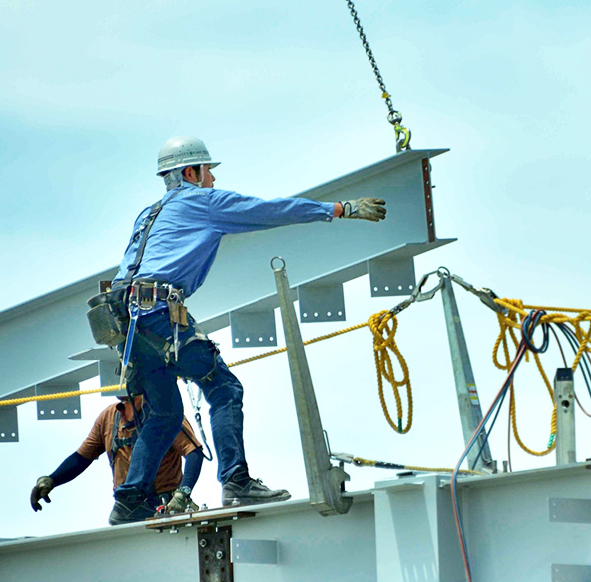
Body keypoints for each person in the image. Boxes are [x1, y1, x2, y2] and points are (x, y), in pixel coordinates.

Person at [106, 135, 387, 525]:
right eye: (208, 173)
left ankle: (128, 500)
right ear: (190, 172)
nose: (213, 181)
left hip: (128, 323)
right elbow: (269, 210)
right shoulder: (202, 202)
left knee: (166, 412)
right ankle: (235, 481)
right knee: (224, 389)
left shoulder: (148, 215)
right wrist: (339, 209)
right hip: (156, 315)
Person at [29, 395, 205, 519]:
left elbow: (194, 452)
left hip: (165, 505)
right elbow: (82, 457)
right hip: (127, 507)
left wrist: (183, 493)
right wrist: (51, 480)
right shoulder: (109, 417)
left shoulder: (164, 414)